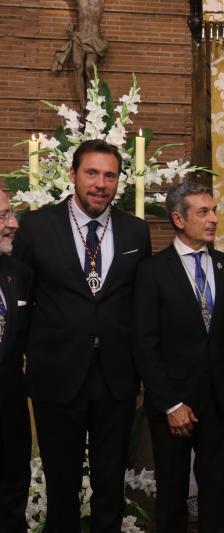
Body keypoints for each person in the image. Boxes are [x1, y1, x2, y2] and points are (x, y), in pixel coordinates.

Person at [13, 139, 152, 532]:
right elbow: (20, 298)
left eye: (110, 175)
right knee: (62, 486)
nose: (100, 183)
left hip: (115, 377)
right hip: (56, 375)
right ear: (73, 175)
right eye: (91, 172)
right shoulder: (37, 227)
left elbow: (139, 307)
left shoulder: (135, 232)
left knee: (110, 485)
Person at [134, 180, 224, 532]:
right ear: (179, 220)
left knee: (216, 491)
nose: (213, 219)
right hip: (173, 404)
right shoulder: (152, 271)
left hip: (220, 400)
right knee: (172, 493)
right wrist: (170, 404)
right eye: (203, 212)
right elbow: (144, 342)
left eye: (213, 211)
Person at [0, 191, 33, 533]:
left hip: (10, 407)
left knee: (13, 494)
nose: (14, 224)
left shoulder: (18, 273)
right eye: (3, 216)